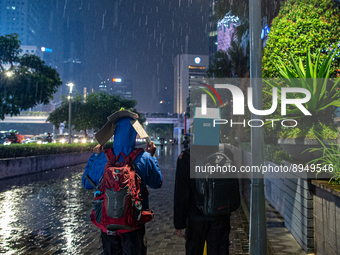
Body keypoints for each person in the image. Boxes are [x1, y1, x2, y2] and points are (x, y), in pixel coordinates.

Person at [82, 112, 162, 255]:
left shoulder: (102, 157)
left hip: (108, 227)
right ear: (135, 133)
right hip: (134, 225)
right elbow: (157, 183)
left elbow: (86, 183)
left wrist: (94, 156)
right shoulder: (144, 157)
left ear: (115, 132)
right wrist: (152, 156)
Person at [174, 148, 232, 255]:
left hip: (196, 216)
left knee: (194, 250)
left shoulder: (186, 156)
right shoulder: (225, 153)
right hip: (220, 215)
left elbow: (181, 192)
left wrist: (179, 222)